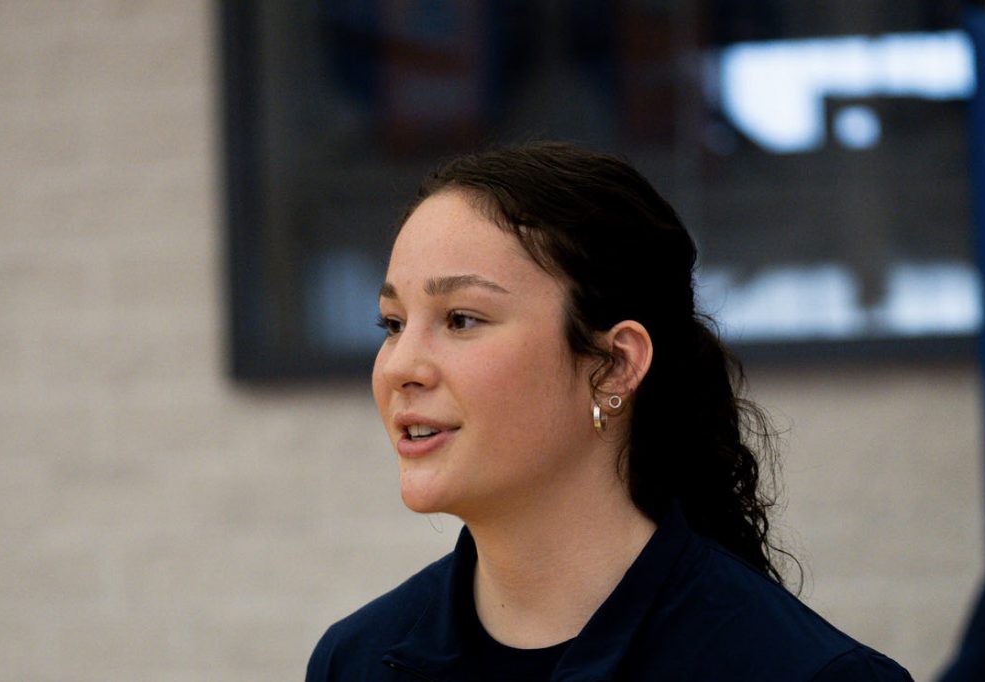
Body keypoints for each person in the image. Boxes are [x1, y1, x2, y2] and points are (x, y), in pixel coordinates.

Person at [306, 142, 912, 680]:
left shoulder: (805, 671)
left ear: (616, 365)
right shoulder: (355, 659)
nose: (398, 367)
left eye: (461, 319)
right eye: (392, 323)